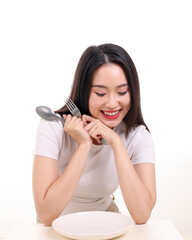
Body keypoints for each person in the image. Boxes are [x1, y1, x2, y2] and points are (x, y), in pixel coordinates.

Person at [32, 43, 156, 226]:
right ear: (84, 91)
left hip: (106, 220)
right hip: (58, 222)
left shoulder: (138, 136)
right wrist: (83, 146)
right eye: (100, 93)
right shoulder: (52, 128)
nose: (113, 103)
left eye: (122, 91)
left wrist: (116, 142)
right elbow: (46, 215)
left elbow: (142, 214)